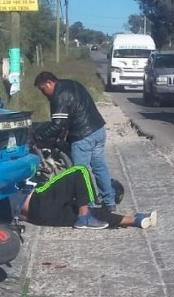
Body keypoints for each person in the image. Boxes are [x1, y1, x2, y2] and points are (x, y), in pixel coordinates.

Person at [33, 70, 117, 211]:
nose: (43, 93)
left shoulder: (58, 95)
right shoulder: (73, 84)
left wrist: (39, 138)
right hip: (98, 130)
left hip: (83, 135)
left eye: (43, 89)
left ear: (49, 83)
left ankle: (87, 206)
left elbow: (57, 124)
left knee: (80, 172)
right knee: (99, 166)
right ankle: (109, 201)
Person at [13, 165, 156, 230]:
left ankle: (135, 220)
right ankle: (85, 214)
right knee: (79, 170)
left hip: (37, 217)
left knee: (88, 212)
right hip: (34, 201)